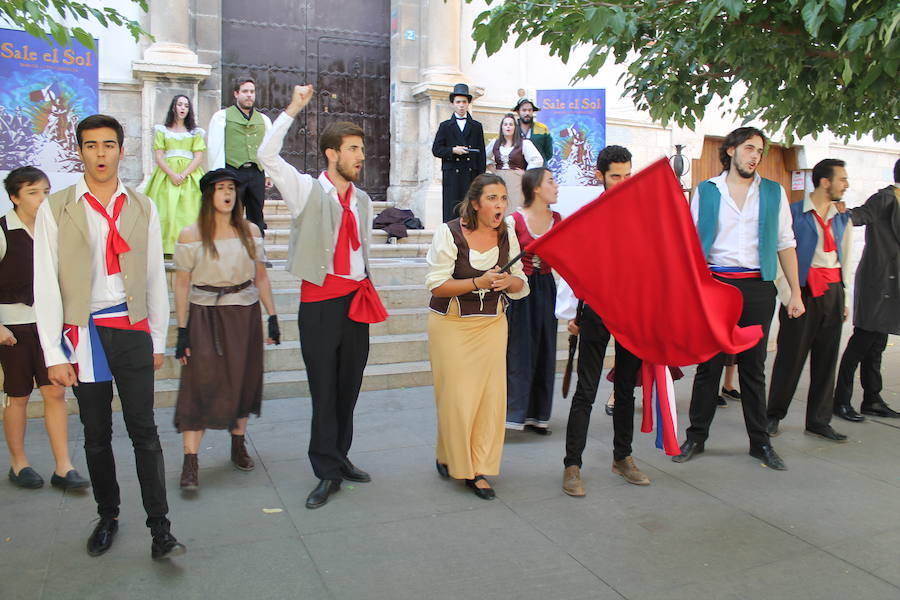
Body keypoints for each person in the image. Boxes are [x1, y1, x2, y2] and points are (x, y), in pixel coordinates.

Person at [33, 114, 185, 559]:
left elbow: (156, 276)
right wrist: (52, 352)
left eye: (108, 145)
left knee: (145, 432)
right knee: (96, 433)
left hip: (132, 329)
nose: (100, 153)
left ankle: (161, 530)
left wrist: (158, 339)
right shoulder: (56, 207)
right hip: (84, 335)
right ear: (79, 151)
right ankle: (108, 515)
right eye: (91, 145)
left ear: (122, 149)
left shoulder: (142, 206)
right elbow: (45, 284)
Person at [257, 84, 387, 509]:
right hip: (319, 305)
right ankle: (325, 470)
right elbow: (267, 156)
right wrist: (294, 108)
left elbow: (360, 253)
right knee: (324, 391)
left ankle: (341, 456)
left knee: (349, 387)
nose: (360, 157)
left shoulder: (363, 201)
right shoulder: (305, 190)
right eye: (352, 149)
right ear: (331, 153)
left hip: (355, 302)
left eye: (361, 149)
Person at [673, 127, 804, 471]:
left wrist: (795, 292)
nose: (754, 156)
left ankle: (759, 442)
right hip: (715, 286)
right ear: (730, 150)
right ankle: (696, 437)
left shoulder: (773, 192)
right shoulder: (707, 191)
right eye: (749, 148)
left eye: (759, 151)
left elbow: (785, 243)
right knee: (709, 365)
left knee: (753, 367)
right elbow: (689, 242)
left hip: (758, 288)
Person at [172, 169, 279, 490]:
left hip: (244, 314)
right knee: (198, 385)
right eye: (220, 188)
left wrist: (271, 315)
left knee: (243, 378)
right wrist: (182, 330)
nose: (227, 193)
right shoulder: (191, 235)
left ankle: (238, 444)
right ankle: (191, 460)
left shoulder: (250, 232)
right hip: (205, 316)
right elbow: (180, 285)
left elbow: (260, 277)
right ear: (209, 195)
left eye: (231, 188)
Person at [427, 173, 528, 500]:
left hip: (492, 325)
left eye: (502, 199)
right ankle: (452, 455)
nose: (499, 205)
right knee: (457, 398)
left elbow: (520, 282)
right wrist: (478, 282)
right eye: (492, 199)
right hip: (452, 325)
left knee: (488, 399)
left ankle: (476, 468)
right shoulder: (449, 233)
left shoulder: (507, 234)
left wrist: (506, 283)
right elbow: (438, 285)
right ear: (475, 203)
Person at [559, 145, 651, 496]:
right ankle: (572, 465)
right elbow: (572, 266)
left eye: (629, 175)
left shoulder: (642, 215)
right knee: (586, 390)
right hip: (596, 309)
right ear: (600, 176)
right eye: (616, 176)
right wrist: (571, 314)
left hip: (631, 311)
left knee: (626, 389)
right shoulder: (588, 214)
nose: (624, 182)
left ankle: (622, 457)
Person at [1, 166, 89, 491]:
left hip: (48, 326)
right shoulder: (3, 230)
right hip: (13, 329)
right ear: (14, 197)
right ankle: (19, 463)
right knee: (18, 396)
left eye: (46, 192)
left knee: (55, 391)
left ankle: (63, 467)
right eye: (33, 192)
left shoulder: (54, 229)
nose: (42, 199)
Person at [767, 159, 852, 441]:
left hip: (832, 293)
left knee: (827, 359)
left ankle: (818, 420)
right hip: (801, 292)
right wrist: (790, 294)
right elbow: (780, 255)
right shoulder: (793, 214)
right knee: (790, 358)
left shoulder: (842, 217)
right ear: (825, 182)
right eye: (842, 179)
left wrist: (845, 296)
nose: (846, 184)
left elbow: (846, 257)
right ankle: (773, 415)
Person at [833, 157, 900, 421]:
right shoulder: (885, 198)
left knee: (877, 344)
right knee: (861, 342)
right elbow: (861, 215)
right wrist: (843, 212)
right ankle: (840, 401)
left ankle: (872, 398)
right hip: (878, 281)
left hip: (890, 282)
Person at [505, 167, 559, 433]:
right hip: (520, 289)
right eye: (551, 181)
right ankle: (515, 413)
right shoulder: (514, 220)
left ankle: (538, 415)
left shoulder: (557, 219)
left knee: (546, 348)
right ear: (536, 187)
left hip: (547, 287)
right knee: (519, 350)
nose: (556, 186)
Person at [207, 76, 273, 234]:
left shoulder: (263, 120)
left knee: (257, 215)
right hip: (233, 172)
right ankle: (230, 253)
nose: (249, 95)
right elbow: (215, 147)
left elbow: (268, 149)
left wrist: (269, 173)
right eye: (245, 91)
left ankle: (257, 253)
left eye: (252, 91)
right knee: (231, 215)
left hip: (256, 173)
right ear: (236, 94)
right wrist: (218, 176)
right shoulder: (222, 117)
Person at [142, 95, 206, 255]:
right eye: (179, 104)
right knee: (165, 208)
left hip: (189, 174)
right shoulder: (162, 131)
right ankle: (165, 247)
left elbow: (198, 156)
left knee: (191, 209)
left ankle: (191, 244)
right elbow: (158, 156)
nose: (183, 108)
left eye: (186, 105)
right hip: (166, 174)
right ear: (174, 107)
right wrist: (172, 174)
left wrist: (183, 174)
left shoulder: (195, 133)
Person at [431, 83, 486, 222]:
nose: (461, 105)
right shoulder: (445, 126)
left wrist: (480, 179)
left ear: (468, 103)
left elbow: (482, 155)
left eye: (464, 102)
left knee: (470, 210)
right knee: (452, 211)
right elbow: (436, 149)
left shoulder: (476, 126)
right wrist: (453, 150)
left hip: (470, 175)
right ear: (452, 104)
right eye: (458, 102)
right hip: (452, 176)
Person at [485, 113, 543, 213]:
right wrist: (491, 167)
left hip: (516, 181)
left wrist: (526, 173)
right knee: (499, 207)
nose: (508, 126)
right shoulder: (495, 143)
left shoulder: (524, 143)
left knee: (514, 208)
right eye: (505, 124)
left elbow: (537, 159)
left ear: (515, 127)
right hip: (499, 179)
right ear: (502, 127)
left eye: (511, 124)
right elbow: (484, 156)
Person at [513, 98, 553, 164]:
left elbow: (548, 154)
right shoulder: (512, 129)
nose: (527, 113)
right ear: (518, 112)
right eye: (524, 110)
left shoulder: (542, 128)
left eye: (530, 110)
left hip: (538, 170)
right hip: (517, 170)